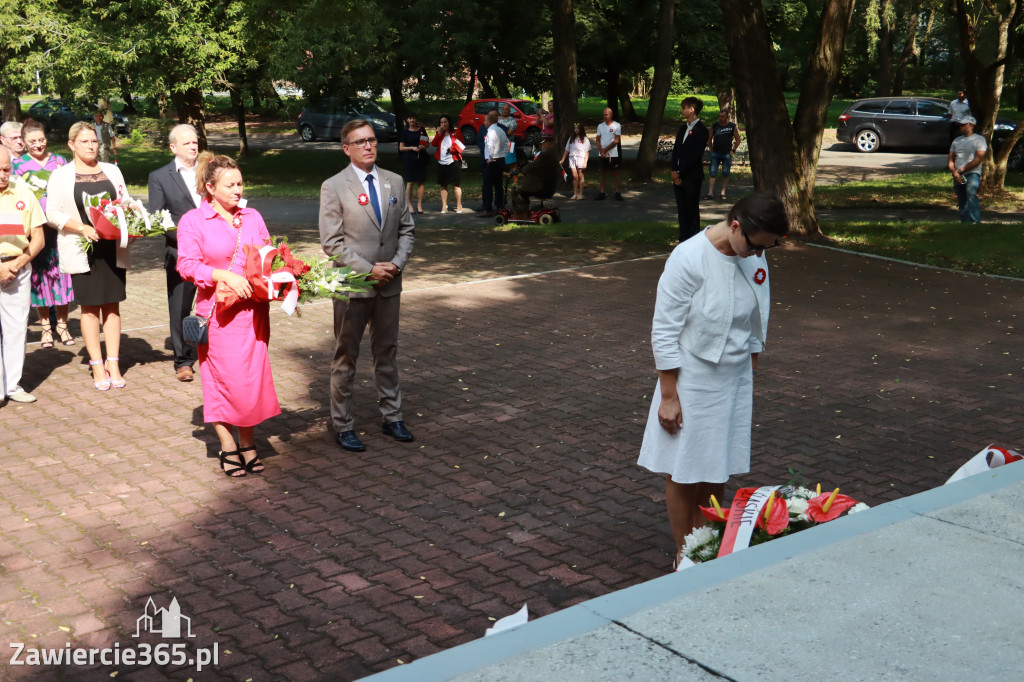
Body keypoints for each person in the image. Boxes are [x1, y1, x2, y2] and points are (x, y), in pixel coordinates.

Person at [637, 191, 788, 569]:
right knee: (686, 468)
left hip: (733, 376)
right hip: (692, 376)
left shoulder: (754, 251)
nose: (759, 255)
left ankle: (710, 548)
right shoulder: (688, 258)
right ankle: (685, 554)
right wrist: (669, 396)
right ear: (736, 226)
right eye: (756, 246)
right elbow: (664, 330)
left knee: (716, 465)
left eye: (767, 248)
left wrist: (751, 362)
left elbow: (758, 314)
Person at [176, 153, 281, 477]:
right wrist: (224, 276)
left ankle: (248, 443)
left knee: (249, 383)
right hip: (218, 317)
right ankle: (227, 444)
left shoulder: (252, 216)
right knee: (223, 382)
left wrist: (281, 280)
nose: (238, 190)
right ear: (210, 187)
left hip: (253, 314)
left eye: (240, 183)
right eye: (230, 185)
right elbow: (186, 265)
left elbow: (267, 257)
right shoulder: (194, 220)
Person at [319, 119, 415, 453]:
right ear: (346, 148)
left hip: (389, 284)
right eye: (359, 142)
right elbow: (331, 243)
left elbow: (407, 230)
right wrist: (368, 269)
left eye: (372, 140)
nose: (368, 146)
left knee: (387, 353)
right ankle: (343, 424)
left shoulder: (395, 182)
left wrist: (396, 265)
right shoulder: (333, 186)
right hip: (352, 285)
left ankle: (393, 417)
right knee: (346, 356)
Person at [46, 122, 138, 391]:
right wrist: (81, 227)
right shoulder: (61, 175)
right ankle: (97, 364)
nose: (91, 146)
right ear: (71, 144)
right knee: (89, 307)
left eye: (94, 141)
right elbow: (52, 213)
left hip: (112, 247)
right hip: (81, 248)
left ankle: (114, 362)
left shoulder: (111, 170)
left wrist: (133, 215)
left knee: (112, 305)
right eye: (85, 141)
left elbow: (126, 201)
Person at [148, 123, 202, 382]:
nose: (193, 146)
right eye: (187, 143)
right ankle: (183, 360)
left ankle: (215, 350)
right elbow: (160, 220)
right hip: (181, 251)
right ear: (173, 147)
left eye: (195, 141)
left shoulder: (210, 170)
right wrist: (191, 239)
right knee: (180, 307)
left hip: (216, 251)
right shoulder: (160, 177)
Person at [15, 120, 74, 349]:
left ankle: (62, 325)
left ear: (46, 139)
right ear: (24, 143)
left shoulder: (60, 161)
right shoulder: (18, 165)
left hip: (59, 227)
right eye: (32, 141)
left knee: (63, 275)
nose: (37, 145)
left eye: (41, 140)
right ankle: (46, 328)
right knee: (39, 278)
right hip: (35, 230)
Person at [0, 146, 45, 404]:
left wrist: (16, 264)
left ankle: (12, 385)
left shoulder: (23, 191)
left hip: (17, 267)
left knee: (16, 328)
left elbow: (37, 237)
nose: (3, 175)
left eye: (7, 169)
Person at [670, 97, 709, 242]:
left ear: (691, 109)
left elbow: (694, 156)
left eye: (684, 108)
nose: (682, 111)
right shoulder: (682, 129)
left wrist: (681, 172)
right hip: (678, 175)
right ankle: (683, 239)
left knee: (692, 210)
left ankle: (693, 241)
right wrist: (674, 170)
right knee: (682, 210)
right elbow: (676, 151)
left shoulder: (701, 130)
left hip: (691, 176)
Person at [947, 115, 986, 224]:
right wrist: (955, 172)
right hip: (958, 175)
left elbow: (977, 160)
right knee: (962, 198)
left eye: (963, 124)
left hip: (972, 173)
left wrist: (960, 171)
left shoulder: (980, 140)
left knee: (971, 194)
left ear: (971, 125)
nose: (961, 127)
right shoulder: (957, 141)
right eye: (960, 125)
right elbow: (951, 159)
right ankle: (964, 223)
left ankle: (975, 222)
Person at [511, 135, 560, 219]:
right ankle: (523, 212)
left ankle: (521, 214)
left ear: (549, 143)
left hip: (541, 186)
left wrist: (521, 169)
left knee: (517, 191)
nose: (540, 146)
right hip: (547, 184)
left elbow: (530, 167)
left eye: (542, 144)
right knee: (522, 190)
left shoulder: (546, 155)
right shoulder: (553, 153)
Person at [431, 114, 465, 213]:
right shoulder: (439, 133)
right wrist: (438, 134)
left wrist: (453, 148)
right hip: (442, 161)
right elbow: (433, 144)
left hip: (454, 161)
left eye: (445, 122)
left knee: (456, 185)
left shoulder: (456, 132)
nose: (443, 124)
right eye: (441, 122)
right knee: (443, 185)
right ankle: (444, 206)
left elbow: (462, 143)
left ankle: (459, 205)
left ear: (449, 122)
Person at [478, 110, 508, 218]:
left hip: (492, 161)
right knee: (498, 184)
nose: (484, 123)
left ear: (489, 121)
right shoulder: (501, 130)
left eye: (485, 120)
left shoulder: (491, 132)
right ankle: (499, 206)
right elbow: (507, 144)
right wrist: (503, 155)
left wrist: (489, 158)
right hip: (500, 160)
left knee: (487, 185)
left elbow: (489, 146)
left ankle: (487, 209)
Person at [706, 110, 741, 201]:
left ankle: (723, 193)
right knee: (712, 173)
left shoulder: (732, 126)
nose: (720, 118)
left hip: (727, 154)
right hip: (716, 153)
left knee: (725, 173)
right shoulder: (715, 126)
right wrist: (711, 150)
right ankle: (710, 193)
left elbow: (738, 139)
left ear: (727, 117)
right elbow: (709, 139)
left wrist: (733, 150)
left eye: (722, 116)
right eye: (719, 116)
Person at [398, 113, 428, 214]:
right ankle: (410, 205)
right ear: (407, 120)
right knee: (410, 182)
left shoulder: (422, 130)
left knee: (421, 182)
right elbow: (401, 148)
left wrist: (424, 146)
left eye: (413, 118)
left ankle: (419, 205)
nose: (412, 120)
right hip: (409, 158)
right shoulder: (405, 132)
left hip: (421, 158)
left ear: (416, 119)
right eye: (410, 118)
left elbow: (427, 143)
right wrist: (411, 148)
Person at [594, 108, 623, 201]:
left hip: (613, 154)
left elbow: (616, 140)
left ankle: (617, 193)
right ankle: (602, 193)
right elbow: (598, 139)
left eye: (606, 114)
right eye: (603, 115)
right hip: (602, 154)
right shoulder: (600, 126)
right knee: (602, 173)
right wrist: (601, 151)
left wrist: (605, 150)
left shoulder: (617, 125)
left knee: (615, 173)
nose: (605, 116)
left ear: (611, 115)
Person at [559, 123, 591, 200]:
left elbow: (587, 152)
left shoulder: (584, 139)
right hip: (572, 158)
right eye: (575, 128)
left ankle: (581, 194)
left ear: (581, 129)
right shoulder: (571, 138)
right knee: (574, 175)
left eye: (578, 128)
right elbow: (567, 150)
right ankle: (575, 194)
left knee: (580, 174)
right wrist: (563, 159)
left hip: (581, 158)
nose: (576, 130)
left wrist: (585, 162)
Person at [498, 103, 518, 168]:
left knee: (511, 161)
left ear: (509, 111)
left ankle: (515, 175)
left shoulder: (512, 120)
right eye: (503, 109)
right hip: (499, 144)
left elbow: (509, 132)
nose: (504, 111)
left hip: (510, 144)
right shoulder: (498, 120)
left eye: (506, 109)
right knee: (499, 161)